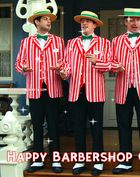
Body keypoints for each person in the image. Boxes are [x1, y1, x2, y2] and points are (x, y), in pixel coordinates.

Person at [110, 8, 140, 176]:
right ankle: (125, 161)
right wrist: (115, 67)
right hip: (122, 89)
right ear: (125, 21)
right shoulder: (116, 41)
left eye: (137, 19)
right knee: (123, 125)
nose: (134, 22)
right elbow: (111, 63)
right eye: (131, 19)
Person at [15, 9, 65, 173]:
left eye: (49, 20)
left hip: (53, 90)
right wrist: (23, 67)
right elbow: (18, 64)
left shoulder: (58, 41)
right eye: (45, 19)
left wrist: (60, 69)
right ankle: (37, 159)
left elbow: (65, 64)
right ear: (36, 22)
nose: (49, 22)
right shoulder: (26, 42)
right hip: (35, 90)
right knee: (37, 125)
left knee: (53, 126)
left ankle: (56, 160)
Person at [63, 11, 111, 176]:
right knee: (78, 128)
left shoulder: (104, 43)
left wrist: (96, 61)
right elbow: (67, 66)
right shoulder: (71, 43)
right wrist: (64, 73)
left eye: (88, 22)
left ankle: (98, 161)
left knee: (96, 128)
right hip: (76, 92)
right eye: (82, 21)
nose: (84, 24)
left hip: (95, 93)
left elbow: (109, 66)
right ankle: (80, 160)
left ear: (95, 25)